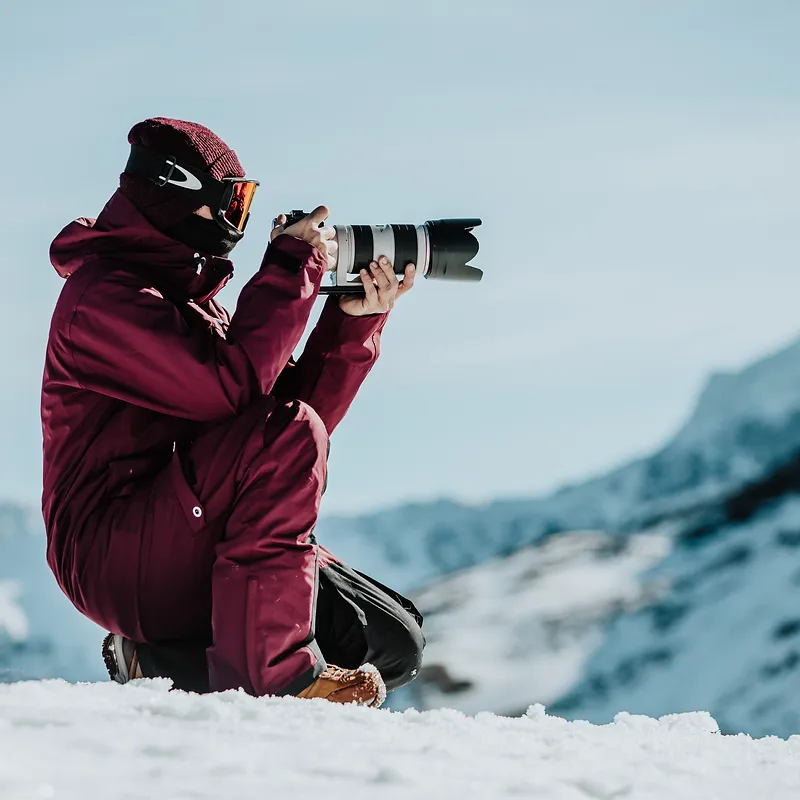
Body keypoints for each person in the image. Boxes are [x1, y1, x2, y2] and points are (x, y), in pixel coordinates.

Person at [41, 117, 425, 707]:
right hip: (113, 551)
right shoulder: (101, 300)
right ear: (177, 193)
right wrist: (294, 264)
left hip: (182, 530)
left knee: (392, 640)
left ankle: (160, 660)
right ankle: (276, 681)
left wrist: (351, 322)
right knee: (287, 433)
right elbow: (232, 392)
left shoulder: (194, 307)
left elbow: (290, 418)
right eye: (233, 202)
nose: (238, 225)